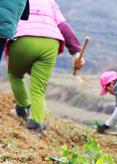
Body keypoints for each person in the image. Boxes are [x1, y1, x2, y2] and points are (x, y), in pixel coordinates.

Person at [6, 0, 83, 133]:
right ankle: (36, 123)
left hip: (23, 39)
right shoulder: (49, 2)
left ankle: (23, 107)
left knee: (15, 75)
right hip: (50, 42)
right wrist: (75, 52)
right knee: (39, 88)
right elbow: (64, 26)